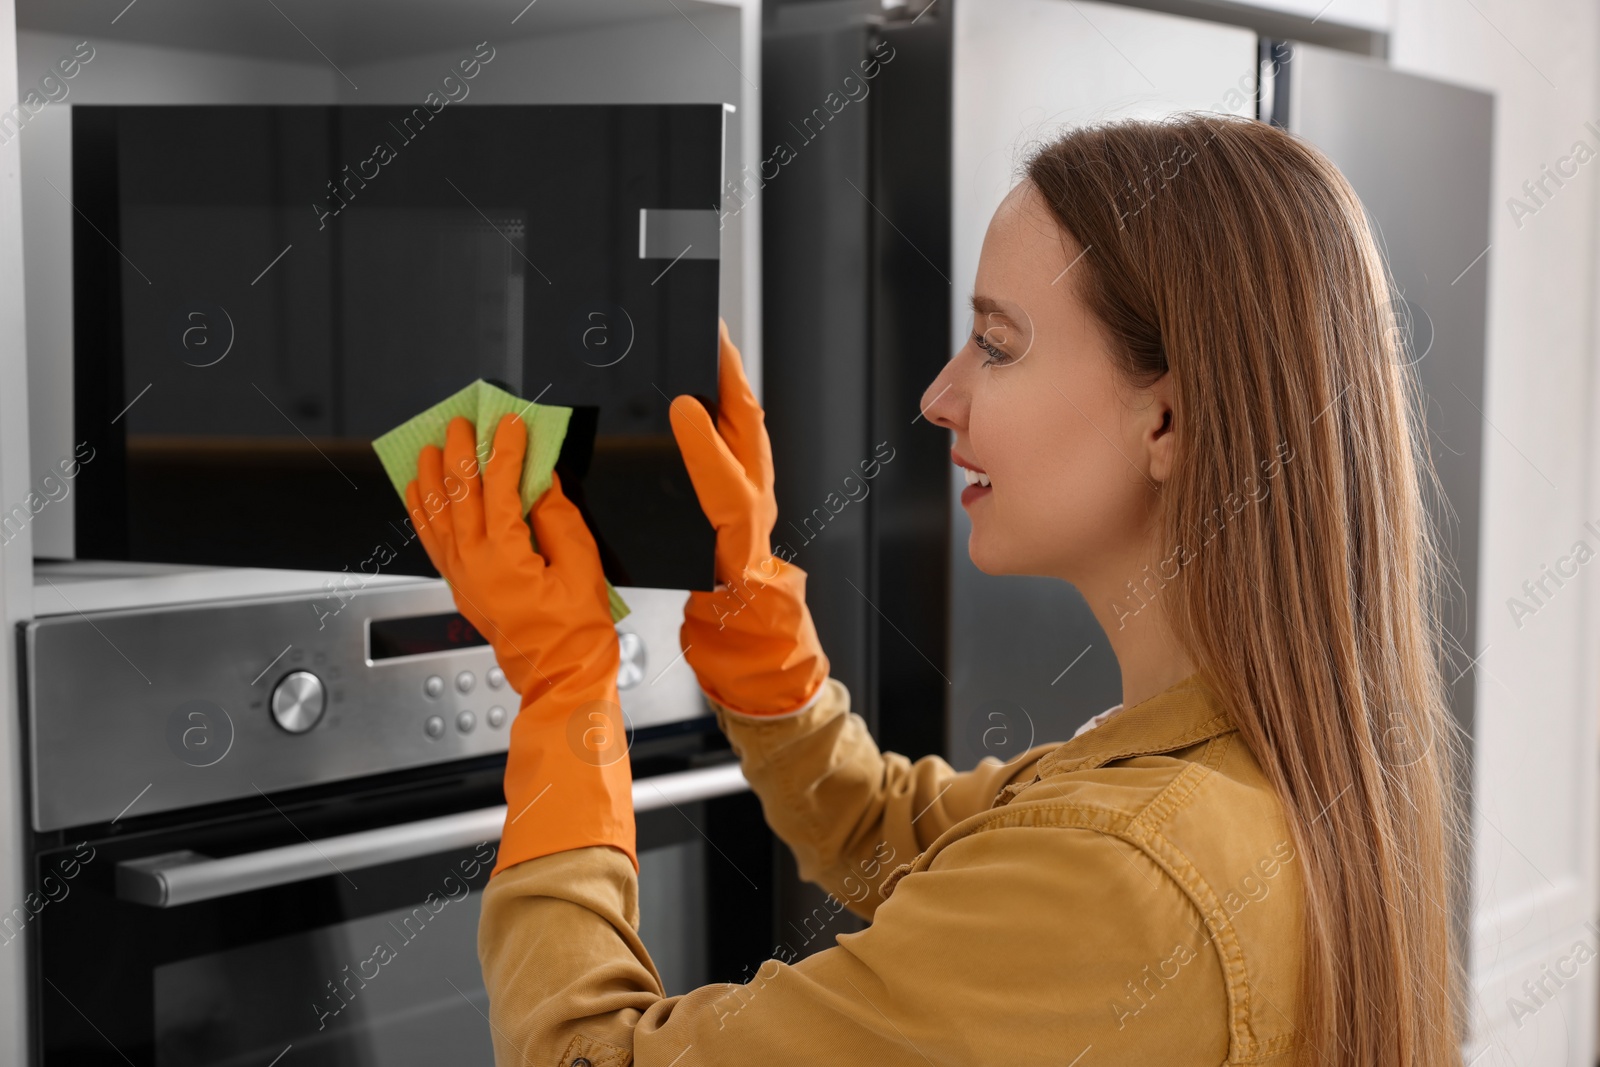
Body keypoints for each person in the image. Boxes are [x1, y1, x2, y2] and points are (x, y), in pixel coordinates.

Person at [406, 112, 1466, 1067]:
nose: (938, 395)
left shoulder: (1128, 877)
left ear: (1168, 423)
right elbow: (896, 831)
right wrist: (752, 623)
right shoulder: (1238, 759)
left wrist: (565, 695)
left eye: (997, 344)